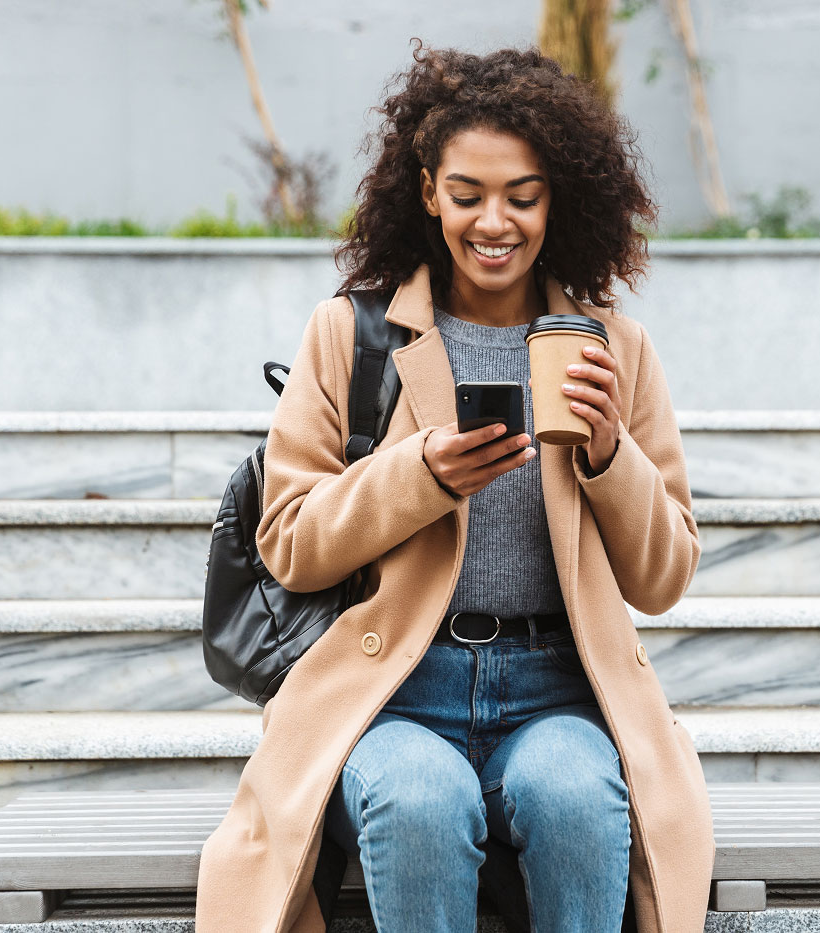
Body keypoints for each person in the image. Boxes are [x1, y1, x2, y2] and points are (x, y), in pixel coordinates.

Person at [211, 40, 713, 933]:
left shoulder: (613, 350)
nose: (495, 222)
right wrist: (419, 476)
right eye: (469, 193)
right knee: (418, 801)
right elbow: (286, 539)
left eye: (523, 196)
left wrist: (608, 455)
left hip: (559, 685)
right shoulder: (350, 335)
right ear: (428, 189)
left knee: (575, 794)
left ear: (559, 198)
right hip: (396, 688)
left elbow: (665, 577)